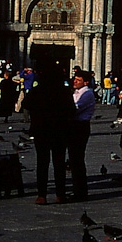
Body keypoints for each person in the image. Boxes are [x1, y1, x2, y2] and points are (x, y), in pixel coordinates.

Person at [23, 62, 74, 204]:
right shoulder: (64, 91)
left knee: (42, 162)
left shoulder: (37, 90)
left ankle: (42, 195)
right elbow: (71, 110)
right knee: (59, 163)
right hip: (60, 130)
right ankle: (60, 194)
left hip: (41, 130)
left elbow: (25, 105)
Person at [69, 69, 95, 200]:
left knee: (77, 159)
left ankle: (80, 191)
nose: (75, 81)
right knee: (73, 160)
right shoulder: (75, 92)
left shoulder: (87, 94)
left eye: (78, 80)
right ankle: (77, 189)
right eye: (75, 78)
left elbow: (75, 109)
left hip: (80, 126)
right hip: (74, 126)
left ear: (86, 82)